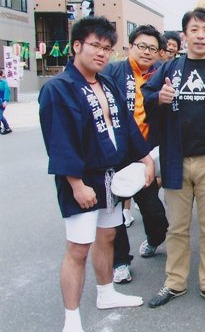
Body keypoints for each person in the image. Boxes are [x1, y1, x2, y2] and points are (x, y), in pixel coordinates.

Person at [38, 17, 154, 332]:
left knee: (108, 236)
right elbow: (58, 140)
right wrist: (75, 183)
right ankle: (71, 317)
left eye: (107, 48)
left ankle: (106, 292)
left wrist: (146, 159)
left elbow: (128, 127)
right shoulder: (58, 89)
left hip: (110, 176)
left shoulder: (107, 83)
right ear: (77, 46)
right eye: (95, 46)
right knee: (78, 247)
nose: (101, 53)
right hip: (81, 178)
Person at [143, 8, 205, 311]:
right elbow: (146, 94)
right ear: (184, 35)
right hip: (175, 159)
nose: (199, 35)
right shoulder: (170, 67)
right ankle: (175, 282)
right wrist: (159, 98)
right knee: (177, 227)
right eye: (194, 29)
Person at [104, 25, 169, 284]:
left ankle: (155, 239)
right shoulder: (112, 73)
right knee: (114, 211)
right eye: (141, 46)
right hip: (115, 154)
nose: (146, 52)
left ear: (158, 52)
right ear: (130, 46)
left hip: (147, 156)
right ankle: (120, 261)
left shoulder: (162, 75)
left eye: (152, 48)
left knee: (154, 211)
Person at [0, 68, 12, 134]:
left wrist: (5, 100)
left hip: (1, 102)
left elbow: (7, 91)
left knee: (0, 116)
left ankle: (7, 128)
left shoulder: (4, 82)